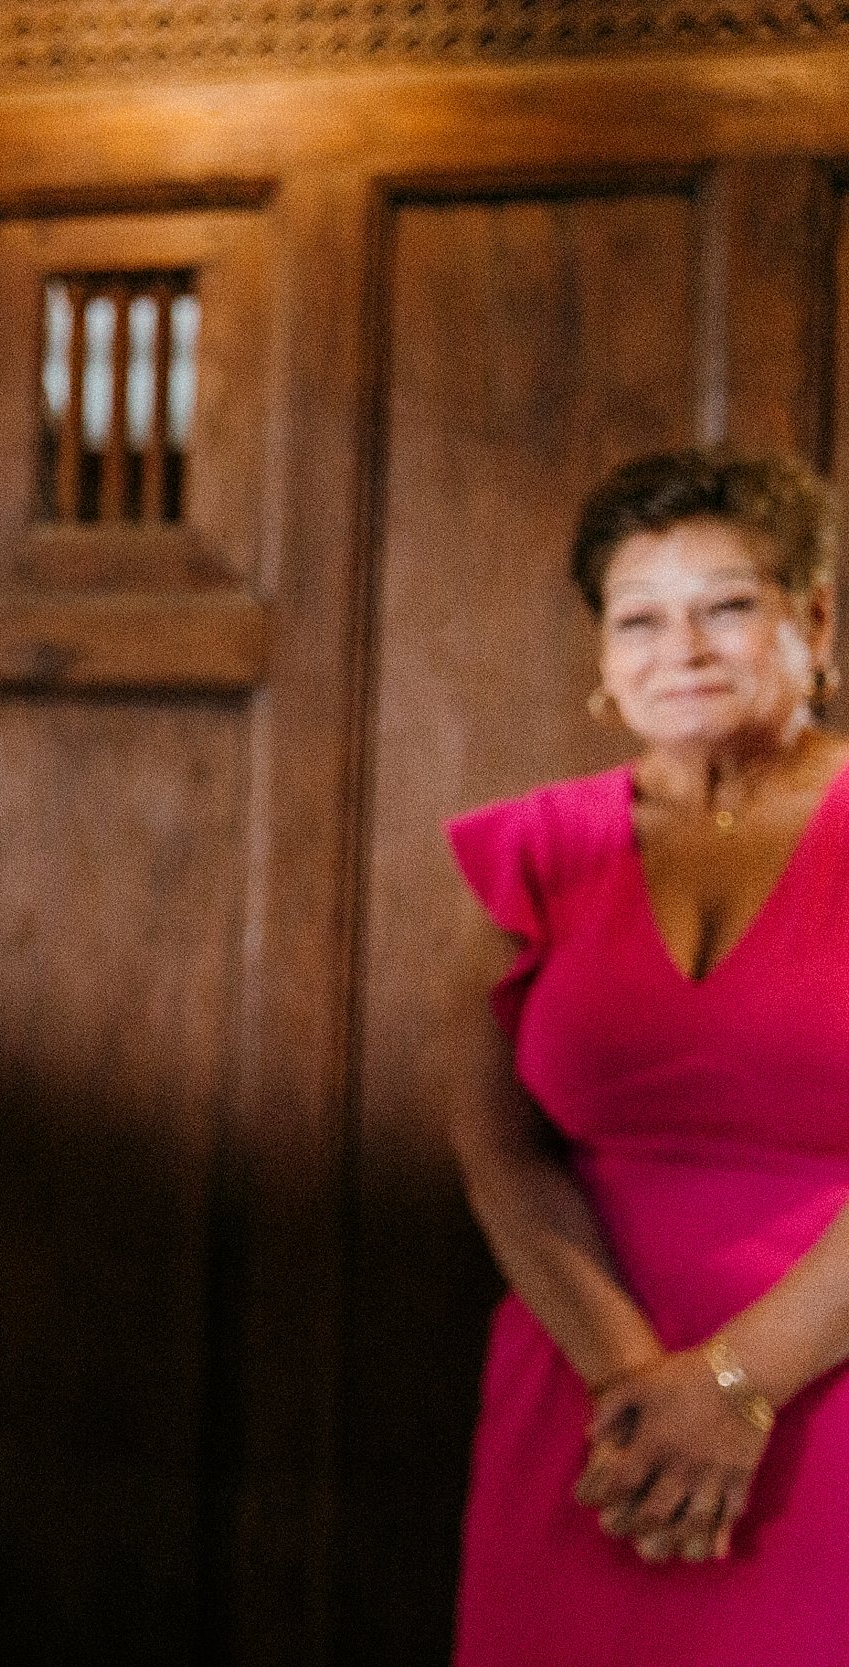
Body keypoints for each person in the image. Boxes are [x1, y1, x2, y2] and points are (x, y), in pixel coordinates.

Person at [447, 447, 849, 1665]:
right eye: (640, 618)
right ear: (604, 660)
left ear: (813, 621)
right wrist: (639, 1389)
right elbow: (498, 1145)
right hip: (587, 1402)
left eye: (727, 605)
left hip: (824, 1379)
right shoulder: (527, 851)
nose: (682, 646)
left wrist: (733, 1388)